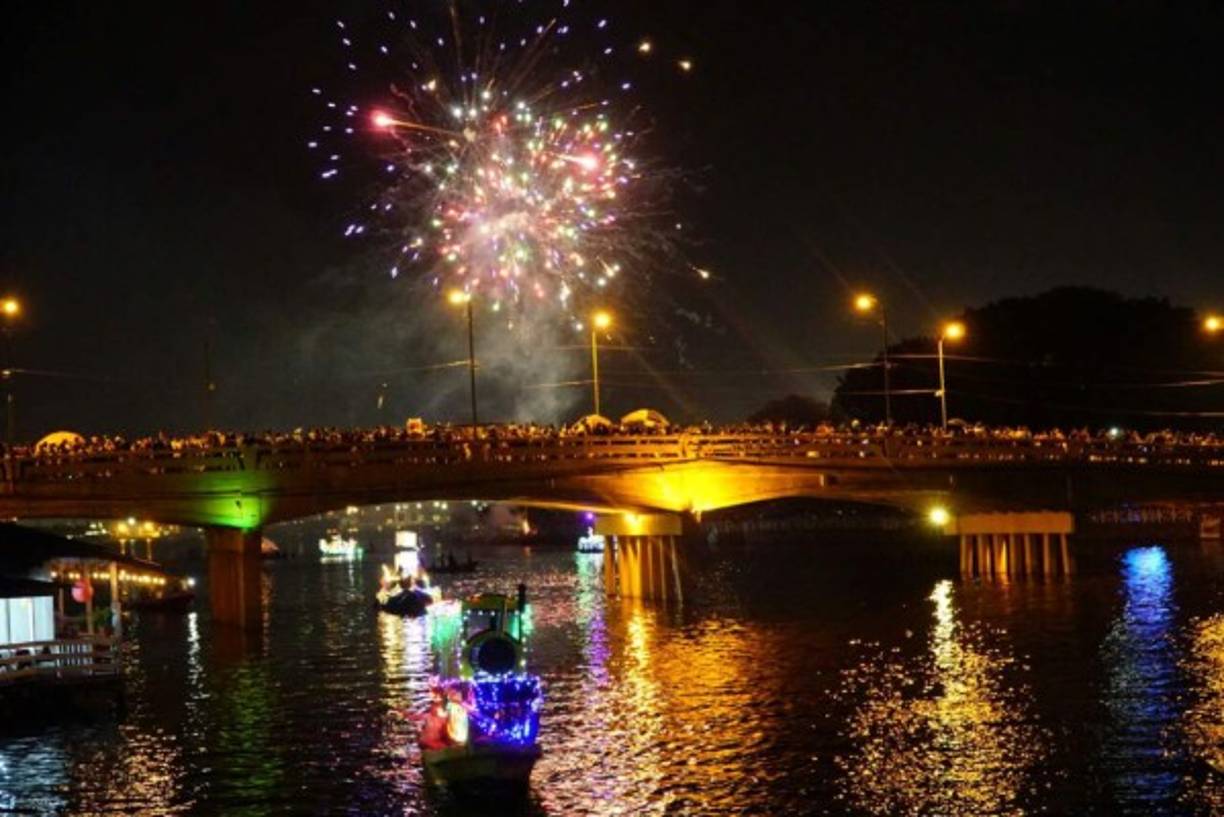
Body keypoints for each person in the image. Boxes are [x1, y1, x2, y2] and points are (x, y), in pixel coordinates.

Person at [418, 685, 450, 751]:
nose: (432, 698)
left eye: (434, 696)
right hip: (428, 740)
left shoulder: (443, 712)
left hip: (434, 740)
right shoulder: (430, 713)